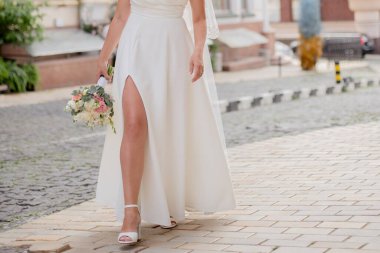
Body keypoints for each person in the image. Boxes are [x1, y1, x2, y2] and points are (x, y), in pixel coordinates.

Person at [95, 0, 236, 246]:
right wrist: (104, 55)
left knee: (166, 127)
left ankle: (164, 202)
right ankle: (131, 212)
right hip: (135, 44)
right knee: (134, 124)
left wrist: (198, 52)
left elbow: (199, 18)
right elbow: (121, 14)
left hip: (173, 47)